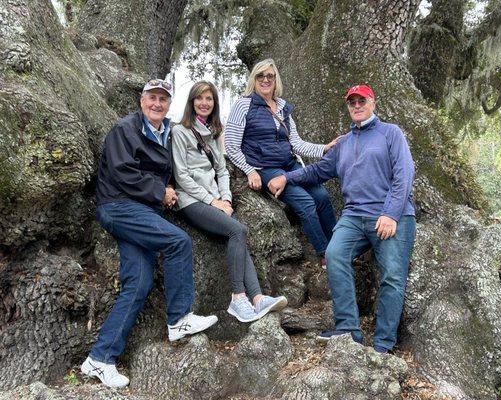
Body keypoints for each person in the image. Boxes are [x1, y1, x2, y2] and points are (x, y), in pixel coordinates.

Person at [81, 79, 218, 388]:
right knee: (177, 241)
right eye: (152, 98)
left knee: (138, 283)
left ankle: (99, 359)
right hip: (119, 206)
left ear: (169, 104)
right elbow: (123, 172)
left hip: (142, 212)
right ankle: (179, 319)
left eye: (163, 99)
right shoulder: (125, 129)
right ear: (142, 101)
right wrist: (161, 191)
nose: (157, 104)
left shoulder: (169, 131)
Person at [268, 84, 416, 354]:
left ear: (373, 103)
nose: (357, 106)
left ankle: (383, 345)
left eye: (362, 101)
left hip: (391, 216)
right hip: (354, 216)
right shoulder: (344, 143)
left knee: (393, 277)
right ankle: (349, 329)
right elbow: (318, 171)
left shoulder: (390, 133)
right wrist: (286, 177)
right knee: (334, 254)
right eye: (352, 103)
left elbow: (404, 175)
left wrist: (391, 214)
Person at [171, 81, 287, 322]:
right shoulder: (180, 132)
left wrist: (226, 198)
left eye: (209, 99)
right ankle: (237, 297)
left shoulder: (213, 134)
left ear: (214, 104)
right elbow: (181, 176)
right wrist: (213, 201)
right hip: (191, 201)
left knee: (237, 234)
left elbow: (222, 171)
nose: (204, 103)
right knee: (238, 231)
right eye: (199, 98)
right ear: (191, 102)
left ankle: (257, 299)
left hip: (215, 199)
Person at [225, 59, 341, 266]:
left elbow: (295, 143)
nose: (266, 79)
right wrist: (250, 171)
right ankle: (326, 254)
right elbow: (232, 145)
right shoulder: (243, 104)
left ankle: (340, 246)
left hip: (289, 165)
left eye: (270, 75)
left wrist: (324, 148)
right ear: (254, 79)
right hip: (265, 168)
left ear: (276, 79)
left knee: (322, 196)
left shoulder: (282, 107)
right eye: (261, 75)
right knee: (305, 203)